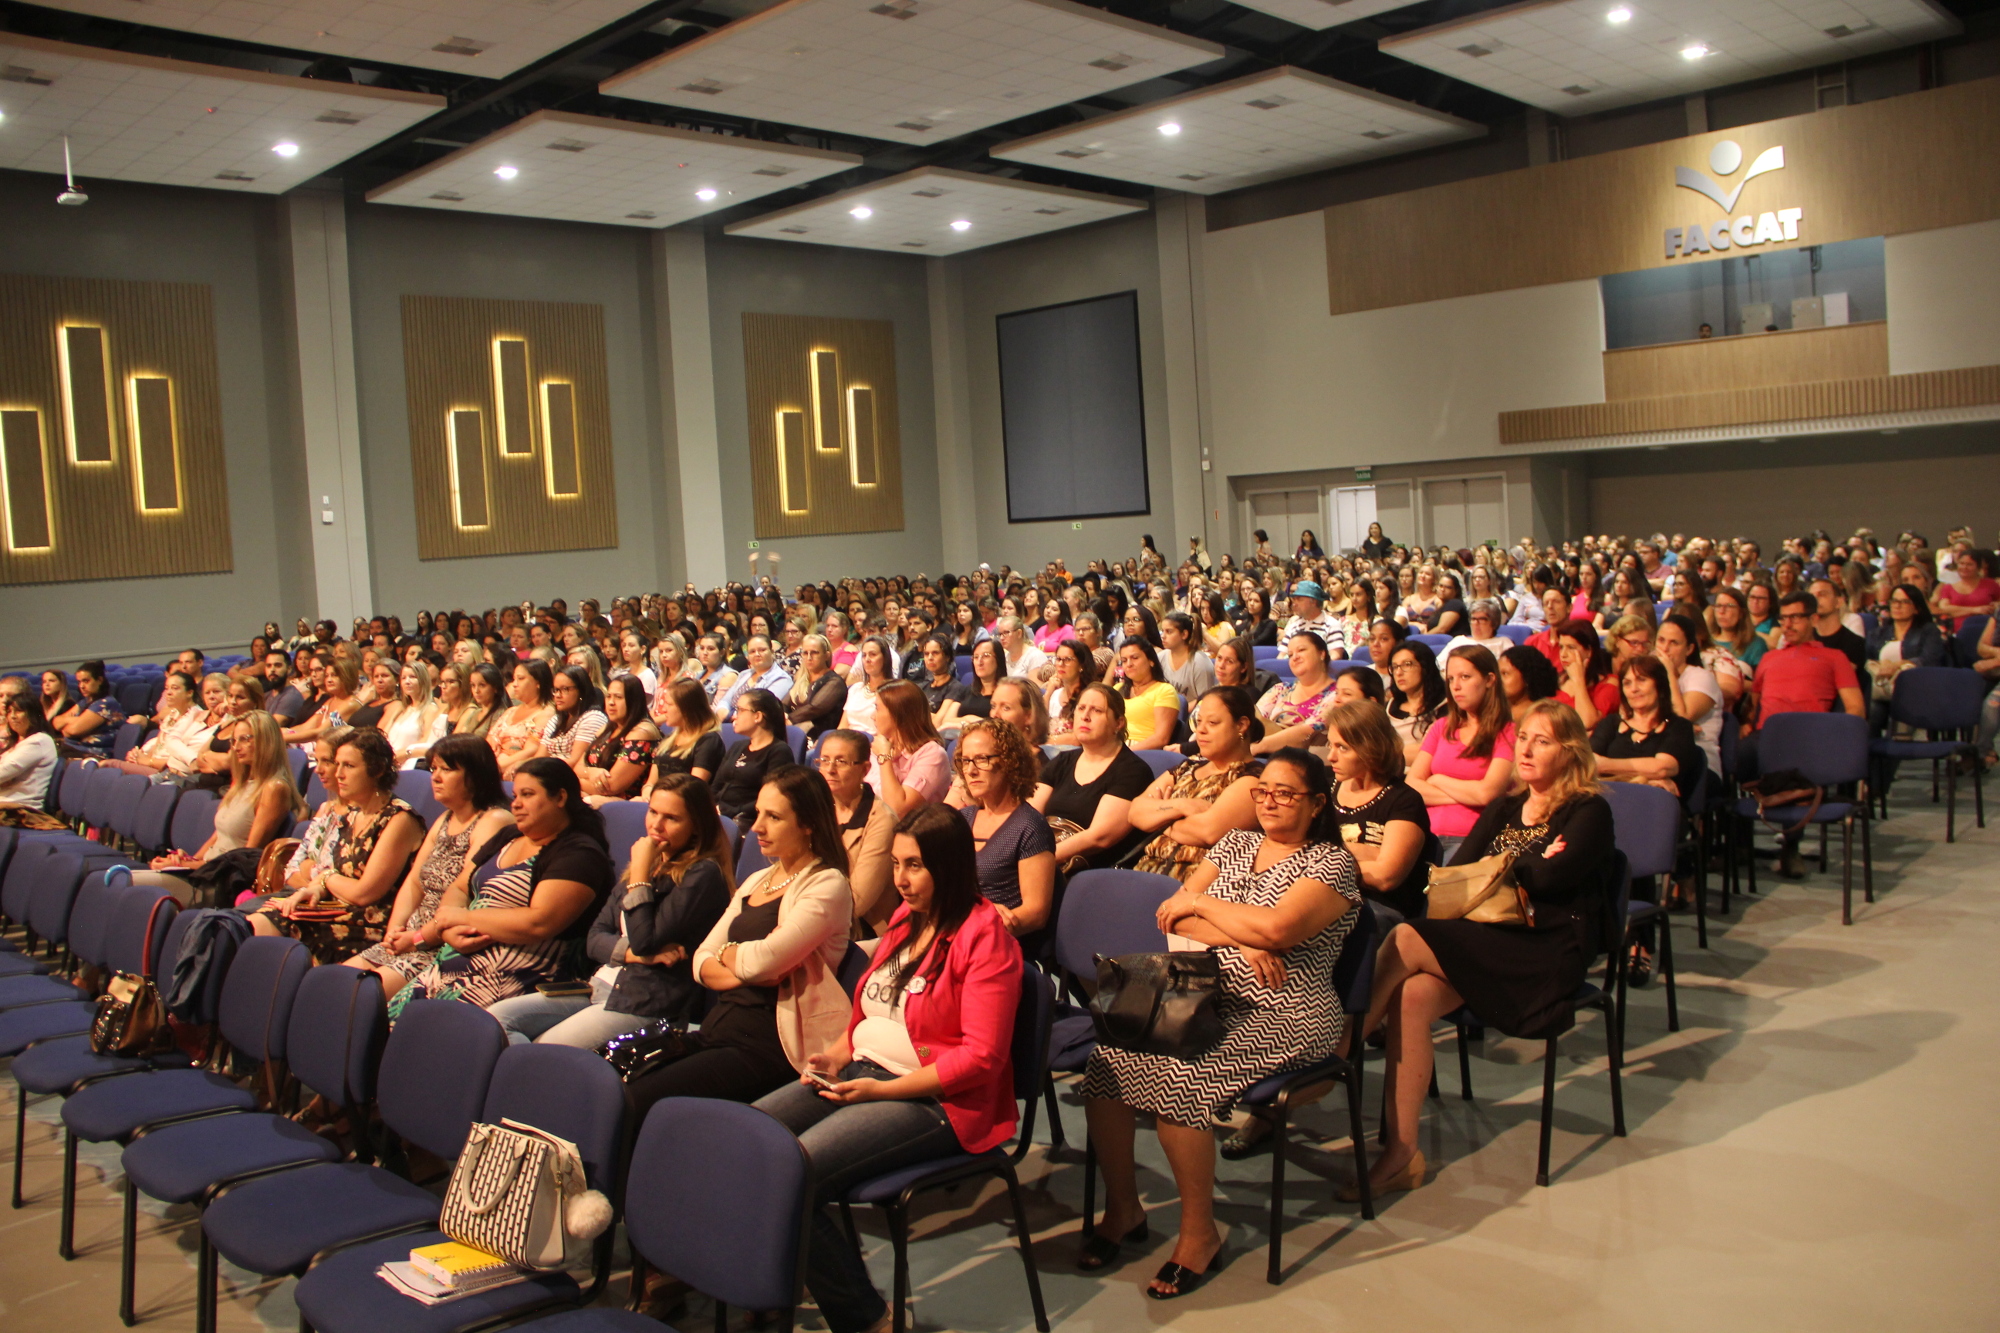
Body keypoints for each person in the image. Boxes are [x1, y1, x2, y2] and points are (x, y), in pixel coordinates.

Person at [1081, 747, 1360, 1298]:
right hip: (1202, 990)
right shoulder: (1235, 843)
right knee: (1106, 1066)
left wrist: (1211, 910)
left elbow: (1278, 930)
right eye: (1263, 791)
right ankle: (1124, 1210)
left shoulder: (1332, 862)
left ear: (1317, 803)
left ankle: (1198, 1234)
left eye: (1286, 793)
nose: (1271, 801)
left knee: (1180, 1085)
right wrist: (1236, 930)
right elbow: (1172, 912)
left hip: (1288, 1008)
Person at [755, 805, 1023, 1333]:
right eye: (897, 863)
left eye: (915, 866)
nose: (899, 879)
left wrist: (884, 1091)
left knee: (794, 1173)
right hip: (863, 1070)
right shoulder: (906, 918)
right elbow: (873, 1005)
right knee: (749, 1138)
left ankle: (868, 1320)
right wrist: (838, 1049)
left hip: (939, 1103)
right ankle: (768, 1281)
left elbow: (982, 1057)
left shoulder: (985, 938)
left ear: (948, 868)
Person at [1361, 700, 1613, 1199]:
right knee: (1411, 997)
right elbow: (1459, 875)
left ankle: (1342, 1046)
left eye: (1542, 741)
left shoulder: (1589, 810)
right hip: (1490, 934)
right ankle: (1401, 1152)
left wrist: (1506, 868)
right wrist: (1521, 865)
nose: (1526, 749)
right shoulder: (1505, 807)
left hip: (1547, 949)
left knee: (1408, 936)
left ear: (1571, 751)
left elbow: (1552, 877)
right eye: (1523, 738)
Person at [622, 766, 854, 1123]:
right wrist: (742, 970)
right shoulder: (759, 878)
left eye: (773, 817)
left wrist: (730, 955)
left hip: (769, 1042)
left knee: (639, 1100)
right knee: (614, 1074)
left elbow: (761, 961)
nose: (757, 826)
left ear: (808, 823)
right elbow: (702, 960)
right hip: (719, 1028)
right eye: (759, 812)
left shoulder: (826, 884)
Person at [391, 758, 615, 1025]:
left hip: (519, 977)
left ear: (561, 797)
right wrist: (448, 928)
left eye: (528, 795)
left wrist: (460, 919)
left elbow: (538, 923)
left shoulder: (579, 853)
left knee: (431, 1035)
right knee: (385, 1023)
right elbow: (460, 886)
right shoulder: (509, 835)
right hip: (449, 966)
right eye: (515, 795)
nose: (516, 804)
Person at [524, 775, 736, 1048]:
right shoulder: (648, 860)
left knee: (543, 1050)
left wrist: (639, 876)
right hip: (599, 986)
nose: (656, 825)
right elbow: (595, 939)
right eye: (653, 812)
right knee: (500, 1021)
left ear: (696, 826)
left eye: (671, 818)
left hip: (644, 1001)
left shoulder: (701, 874)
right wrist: (636, 956)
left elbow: (645, 939)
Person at [345, 734, 515, 995]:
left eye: (446, 769)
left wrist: (416, 939)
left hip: (442, 947)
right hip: (409, 938)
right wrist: (395, 931)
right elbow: (415, 880)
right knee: (336, 982)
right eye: (434, 769)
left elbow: (467, 892)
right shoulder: (445, 819)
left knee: (358, 996)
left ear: (476, 775)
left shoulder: (494, 820)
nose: (434, 777)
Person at [252, 728, 427, 963]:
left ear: (378, 770)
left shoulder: (399, 819)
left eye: (349, 766)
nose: (339, 774)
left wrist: (324, 877)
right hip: (335, 907)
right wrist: (314, 888)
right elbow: (324, 874)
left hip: (366, 923)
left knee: (271, 927)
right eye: (338, 764)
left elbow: (364, 893)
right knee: (250, 924)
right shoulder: (352, 815)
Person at [1744, 592, 1867, 877]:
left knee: (1788, 762)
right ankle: (1737, 847)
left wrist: (1836, 741)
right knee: (1733, 758)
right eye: (1783, 618)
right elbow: (1754, 706)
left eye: (1795, 617)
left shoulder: (1834, 658)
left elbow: (1856, 708)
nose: (1787, 624)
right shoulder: (1769, 658)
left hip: (1808, 739)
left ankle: (1791, 847)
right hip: (1766, 736)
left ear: (1813, 619)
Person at [147, 713, 304, 894]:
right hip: (206, 870)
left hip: (222, 881)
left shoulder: (274, 788)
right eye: (234, 741)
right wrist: (186, 861)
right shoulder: (241, 783)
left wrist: (193, 865)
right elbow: (218, 837)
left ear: (266, 741)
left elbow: (246, 856)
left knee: (136, 886)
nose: (236, 748)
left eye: (245, 739)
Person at [1131, 687, 1265, 881]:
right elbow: (1135, 811)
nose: (1201, 730)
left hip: (1196, 886)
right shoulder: (1186, 767)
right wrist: (1182, 806)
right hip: (1145, 872)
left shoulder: (1253, 779)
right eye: (1199, 721)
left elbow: (1208, 832)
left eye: (1212, 722)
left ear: (1241, 725)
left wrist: (1159, 816)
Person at [1406, 645, 1515, 860]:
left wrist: (1437, 779)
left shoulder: (1507, 731)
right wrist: (1468, 796)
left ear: (1490, 680)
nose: (1456, 686)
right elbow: (1412, 785)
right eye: (1451, 679)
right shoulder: (1442, 727)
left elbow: (1487, 794)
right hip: (1424, 833)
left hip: (1471, 838)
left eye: (1465, 677)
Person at [1325, 700, 1431, 923]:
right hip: (1324, 894)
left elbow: (1386, 876)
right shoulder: (1323, 788)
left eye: (1342, 747)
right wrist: (1366, 853)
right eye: (1330, 745)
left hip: (1377, 908)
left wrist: (1325, 856)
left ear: (1370, 748)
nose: (1331, 757)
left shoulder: (1403, 801)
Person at [1032, 683, 1156, 872]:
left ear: (1119, 723)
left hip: (1086, 870)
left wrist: (1039, 860)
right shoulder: (1062, 761)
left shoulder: (1133, 771)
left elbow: (1099, 837)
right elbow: (1028, 814)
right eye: (1081, 708)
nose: (1085, 716)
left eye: (1097, 710)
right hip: (1042, 854)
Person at [955, 718, 1056, 942]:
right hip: (957, 936)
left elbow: (1036, 913)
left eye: (982, 759)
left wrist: (984, 924)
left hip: (999, 946)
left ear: (1010, 762)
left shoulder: (1030, 826)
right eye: (966, 761)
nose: (971, 770)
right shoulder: (962, 820)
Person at [815, 730, 899, 937]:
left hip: (860, 930)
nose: (830, 769)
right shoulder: (816, 809)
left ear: (865, 769)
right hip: (814, 915)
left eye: (841, 762)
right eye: (824, 760)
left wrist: (802, 919)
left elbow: (857, 901)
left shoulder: (882, 820)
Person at [1864, 584, 1946, 730]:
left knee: (1903, 703)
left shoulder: (1928, 631)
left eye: (1904, 602)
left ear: (1916, 608)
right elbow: (1867, 659)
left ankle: (1901, 746)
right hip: (1881, 688)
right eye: (1894, 601)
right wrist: (1880, 666)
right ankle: (1869, 749)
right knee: (1872, 708)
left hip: (1916, 689)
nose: (1897, 606)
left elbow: (1929, 660)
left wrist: (1897, 665)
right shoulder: (1877, 634)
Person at [711, 689, 798, 826]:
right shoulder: (737, 746)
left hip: (748, 821)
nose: (734, 716)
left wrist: (728, 811)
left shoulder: (779, 752)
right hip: (719, 815)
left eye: (740, 710)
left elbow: (771, 798)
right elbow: (716, 786)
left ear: (758, 716)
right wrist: (712, 807)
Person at [865, 680, 950, 815]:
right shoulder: (878, 748)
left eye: (877, 708)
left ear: (897, 713)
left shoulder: (932, 754)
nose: (873, 716)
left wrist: (884, 758)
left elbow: (897, 809)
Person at [575, 676, 662, 802]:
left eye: (618, 697)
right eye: (609, 696)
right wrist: (591, 772)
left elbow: (611, 786)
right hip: (593, 794)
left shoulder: (642, 733)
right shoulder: (606, 728)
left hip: (625, 803)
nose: (611, 702)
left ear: (633, 701)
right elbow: (578, 766)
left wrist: (574, 783)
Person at [1654, 614, 1722, 775]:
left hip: (1699, 764)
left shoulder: (1702, 677)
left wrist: (1669, 672)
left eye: (1674, 643)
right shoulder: (1649, 676)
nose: (1664, 649)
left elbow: (1681, 719)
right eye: (1661, 640)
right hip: (1656, 755)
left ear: (1690, 649)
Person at [1253, 631, 1339, 754]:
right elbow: (1254, 721)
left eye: (1301, 650)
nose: (1295, 657)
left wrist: (1257, 747)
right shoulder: (1280, 689)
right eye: (1290, 654)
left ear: (1321, 654)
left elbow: (1306, 732)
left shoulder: (1337, 694)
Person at [645, 678, 725, 790]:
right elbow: (651, 782)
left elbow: (693, 789)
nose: (663, 709)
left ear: (686, 708)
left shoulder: (708, 741)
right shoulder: (669, 739)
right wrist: (648, 792)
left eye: (669, 704)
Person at [0, 694, 63, 827]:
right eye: (10, 711)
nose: (12, 716)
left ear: (33, 714)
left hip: (19, 810)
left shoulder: (38, 741)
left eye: (19, 711)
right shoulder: (17, 743)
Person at [489, 660, 557, 779]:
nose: (514, 684)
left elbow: (531, 750)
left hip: (512, 770)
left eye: (520, 679)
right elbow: (490, 738)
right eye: (514, 679)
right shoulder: (510, 711)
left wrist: (495, 768)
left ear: (538, 682)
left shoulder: (545, 713)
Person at [1115, 639, 1180, 751]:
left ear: (1151, 661)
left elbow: (1161, 739)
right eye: (1124, 660)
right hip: (1113, 746)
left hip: (1142, 752)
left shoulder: (1164, 691)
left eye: (1135, 658)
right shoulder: (1117, 689)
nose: (1129, 664)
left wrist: (1124, 753)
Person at [1386, 641, 1447, 760]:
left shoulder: (1445, 707)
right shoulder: (1388, 707)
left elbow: (1432, 750)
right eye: (1394, 667)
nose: (1398, 672)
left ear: (1424, 667)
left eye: (1407, 664)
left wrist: (1384, 754)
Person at [1553, 619, 1619, 729]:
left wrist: (1578, 680)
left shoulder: (1609, 685)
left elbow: (1586, 723)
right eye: (1561, 647)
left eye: (1571, 647)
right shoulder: (1556, 680)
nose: (1563, 654)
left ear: (1589, 651)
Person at [49, 661, 123, 758]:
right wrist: (75, 720)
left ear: (99, 680)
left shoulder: (106, 704)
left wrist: (69, 724)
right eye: (79, 682)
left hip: (94, 755)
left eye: (86, 681)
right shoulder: (85, 702)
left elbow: (72, 731)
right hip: (73, 749)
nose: (81, 686)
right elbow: (56, 722)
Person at [381, 661, 446, 769]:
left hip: (409, 765)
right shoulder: (401, 709)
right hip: (390, 763)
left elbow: (428, 741)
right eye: (403, 678)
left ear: (422, 680)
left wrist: (405, 753)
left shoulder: (430, 709)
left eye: (412, 677)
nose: (407, 681)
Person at [839, 636, 899, 734]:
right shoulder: (855, 689)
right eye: (864, 655)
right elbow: (842, 726)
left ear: (885, 658)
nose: (867, 659)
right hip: (848, 740)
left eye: (873, 655)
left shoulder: (893, 692)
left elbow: (888, 732)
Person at [1932, 548, 1999, 631]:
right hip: (1957, 631)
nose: (1964, 567)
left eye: (1969, 564)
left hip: (1986, 630)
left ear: (1978, 567)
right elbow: (1944, 608)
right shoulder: (1948, 587)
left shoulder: (1991, 584)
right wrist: (1975, 610)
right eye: (1961, 563)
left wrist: (1996, 605)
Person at [1158, 612, 1217, 702]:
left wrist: (1181, 710)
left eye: (1169, 632)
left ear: (1184, 634)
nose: (1163, 636)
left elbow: (1205, 700)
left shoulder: (1200, 663)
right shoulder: (1161, 657)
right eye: (1162, 631)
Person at [1499, 644, 1560, 724]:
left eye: (1505, 674)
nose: (1498, 679)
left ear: (1527, 677)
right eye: (1498, 673)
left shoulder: (1544, 717)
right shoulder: (1492, 710)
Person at [1279, 581, 1343, 655]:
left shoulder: (1332, 625)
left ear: (1313, 601)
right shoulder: (1294, 625)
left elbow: (1335, 656)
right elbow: (1282, 655)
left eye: (1299, 599)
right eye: (1294, 599)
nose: (1294, 604)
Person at [1444, 600, 1511, 658]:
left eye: (1482, 619)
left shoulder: (1503, 643)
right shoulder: (1458, 641)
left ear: (1494, 623)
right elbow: (1440, 667)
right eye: (1473, 619)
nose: (1476, 623)